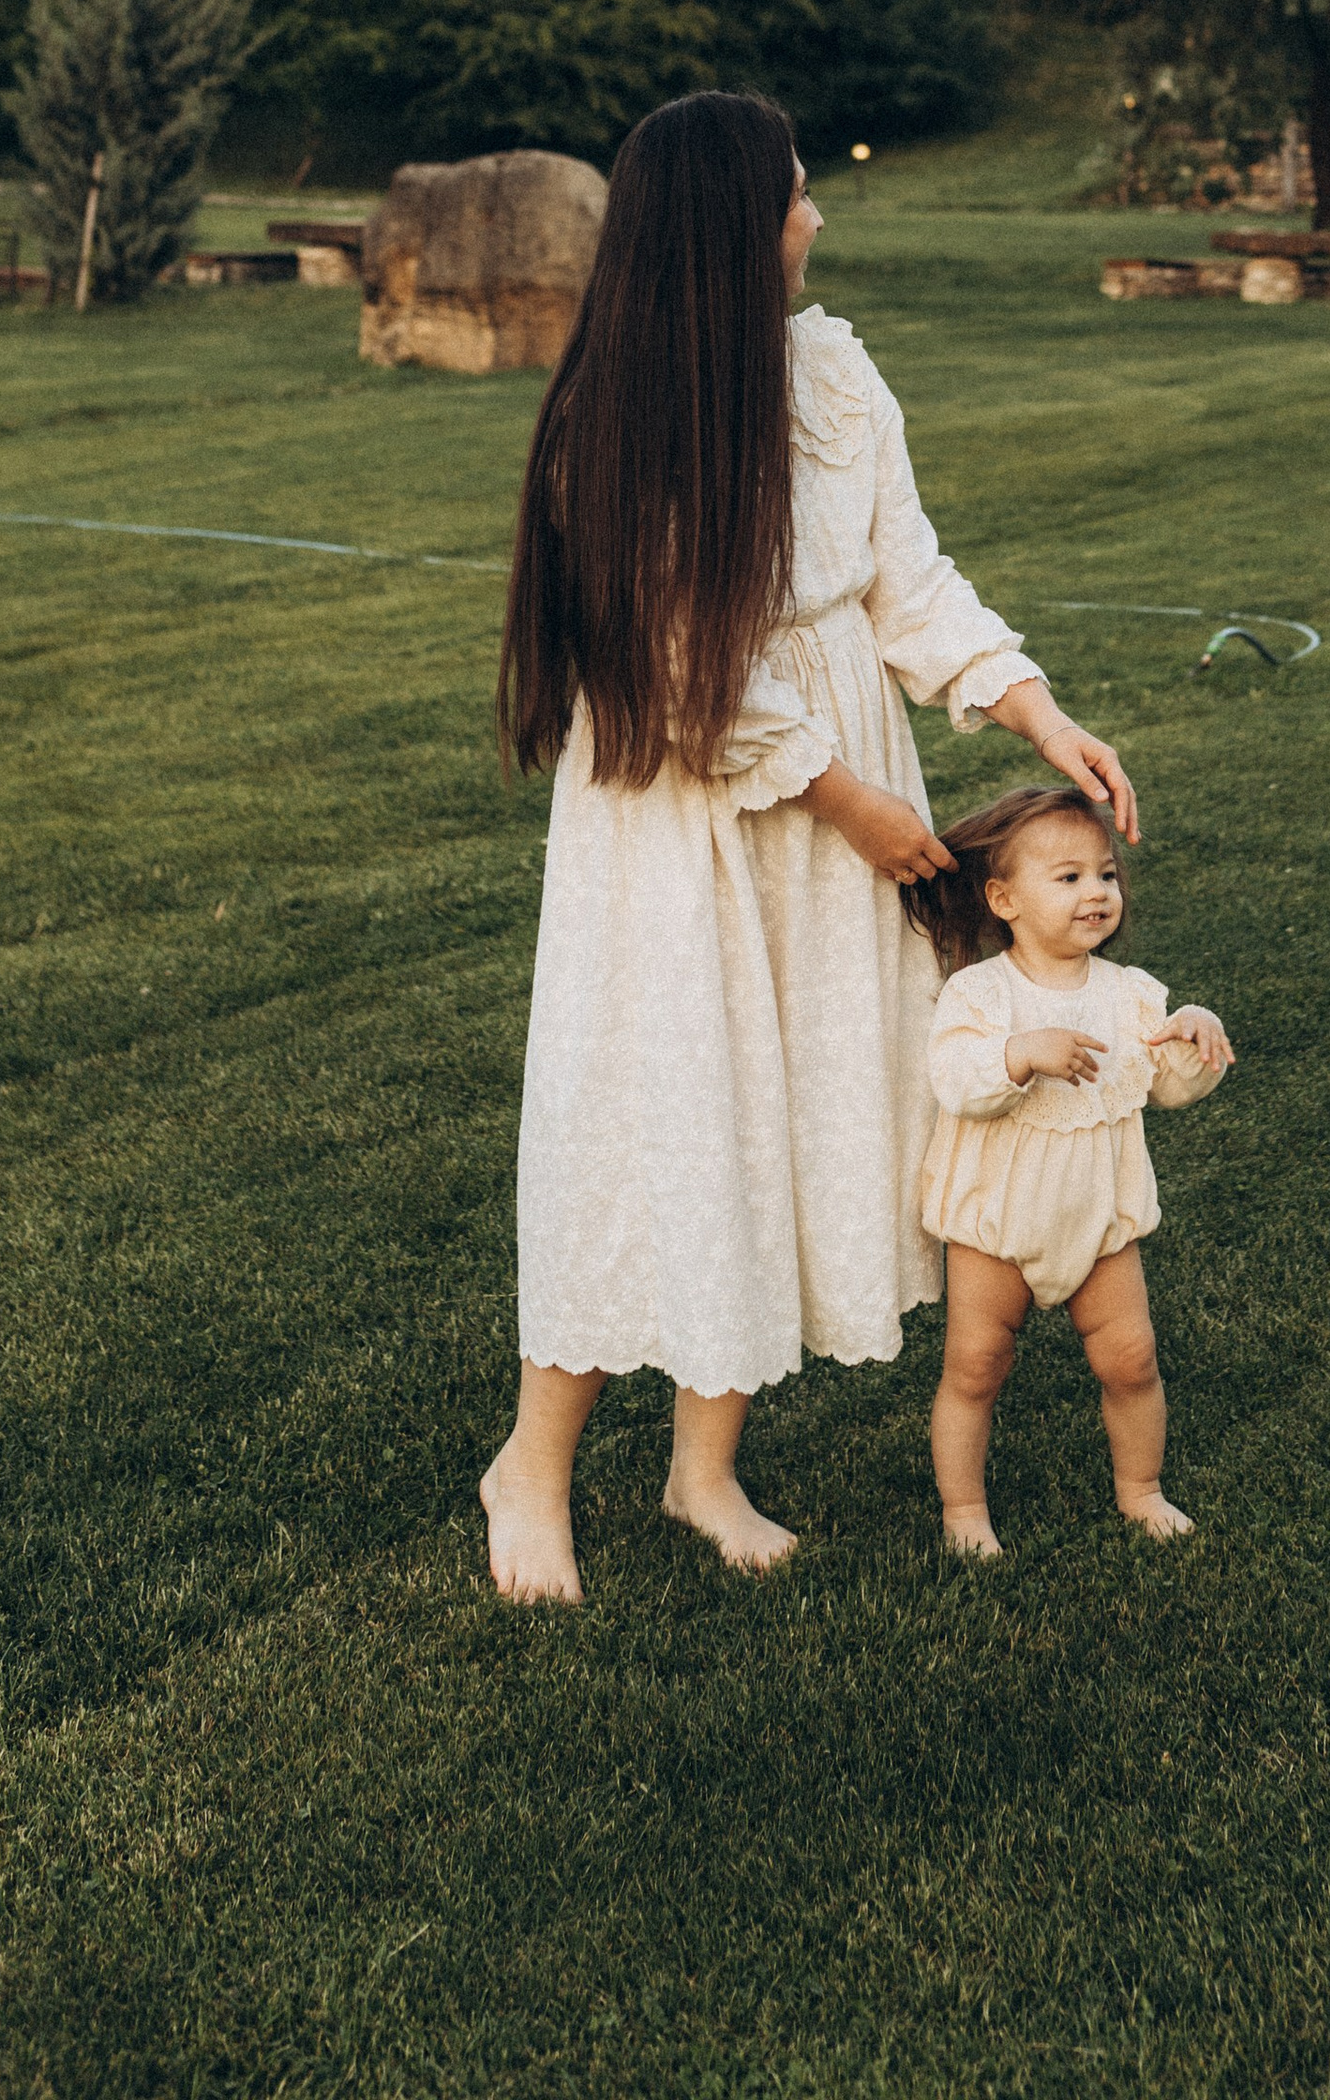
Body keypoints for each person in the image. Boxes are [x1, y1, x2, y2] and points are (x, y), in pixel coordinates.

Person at [482, 91, 1135, 1607]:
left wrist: (1037, 717)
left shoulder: (830, 373)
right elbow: (671, 663)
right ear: (727, 228)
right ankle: (532, 1466)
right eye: (793, 196)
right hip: (692, 816)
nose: (817, 218)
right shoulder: (614, 416)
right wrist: (852, 805)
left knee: (782, 1119)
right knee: (655, 1120)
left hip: (845, 779)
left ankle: (703, 1464)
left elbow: (909, 578)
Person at [904, 784, 1233, 1558]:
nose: (1097, 893)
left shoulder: (1131, 996)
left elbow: (1170, 1087)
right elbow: (955, 1079)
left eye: (1106, 875)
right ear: (1004, 899)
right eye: (1069, 877)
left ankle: (1140, 1489)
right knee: (976, 1366)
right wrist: (1019, 1054)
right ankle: (965, 1511)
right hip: (997, 1222)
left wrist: (1194, 1038)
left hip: (1102, 1221)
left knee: (1132, 1359)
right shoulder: (979, 992)